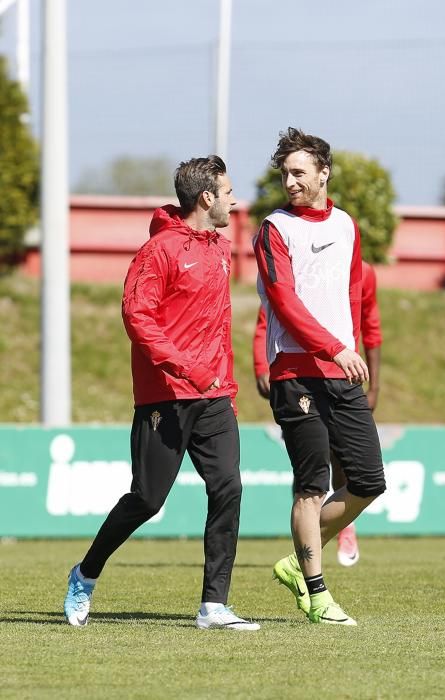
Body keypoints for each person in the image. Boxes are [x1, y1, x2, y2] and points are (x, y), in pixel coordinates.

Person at [64, 155, 260, 631]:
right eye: (228, 191)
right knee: (147, 500)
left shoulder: (219, 247)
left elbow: (217, 326)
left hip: (214, 397)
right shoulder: (159, 251)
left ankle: (214, 605)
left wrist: (225, 386)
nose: (235, 199)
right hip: (165, 398)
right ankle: (85, 574)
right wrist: (186, 366)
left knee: (228, 486)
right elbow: (138, 318)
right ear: (206, 197)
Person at [254, 127, 386, 626]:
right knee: (310, 486)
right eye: (285, 173)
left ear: (324, 173)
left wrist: (350, 351)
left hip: (341, 371)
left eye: (299, 173)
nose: (290, 181)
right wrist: (334, 347)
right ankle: (316, 591)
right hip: (296, 372)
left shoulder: (348, 225)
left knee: (369, 482)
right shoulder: (273, 229)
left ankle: (297, 559)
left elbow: (352, 294)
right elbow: (284, 304)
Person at [253, 259, 382, 567]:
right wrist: (261, 365)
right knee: (311, 474)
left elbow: (371, 326)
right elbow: (267, 317)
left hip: (342, 377)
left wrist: (375, 387)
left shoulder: (363, 272)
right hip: (297, 378)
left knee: (360, 474)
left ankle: (340, 527)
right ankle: (309, 565)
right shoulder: (295, 268)